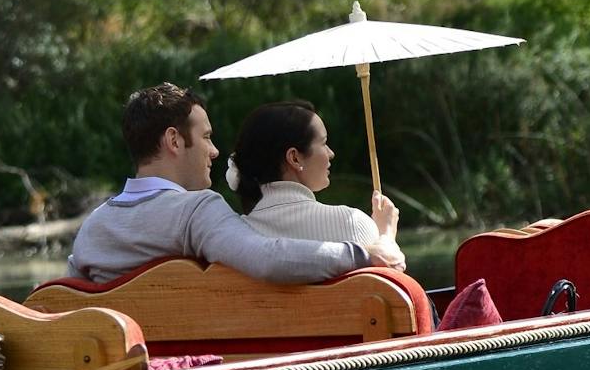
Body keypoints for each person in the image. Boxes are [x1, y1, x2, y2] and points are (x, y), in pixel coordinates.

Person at [67, 84, 370, 284]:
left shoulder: (93, 226)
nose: (214, 151)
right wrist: (364, 253)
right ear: (174, 140)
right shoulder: (196, 211)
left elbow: (59, 300)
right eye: (206, 137)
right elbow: (268, 259)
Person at [227, 100, 406, 270]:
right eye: (324, 143)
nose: (331, 153)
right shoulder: (352, 224)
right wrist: (386, 235)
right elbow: (391, 294)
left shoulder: (238, 239)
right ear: (294, 158)